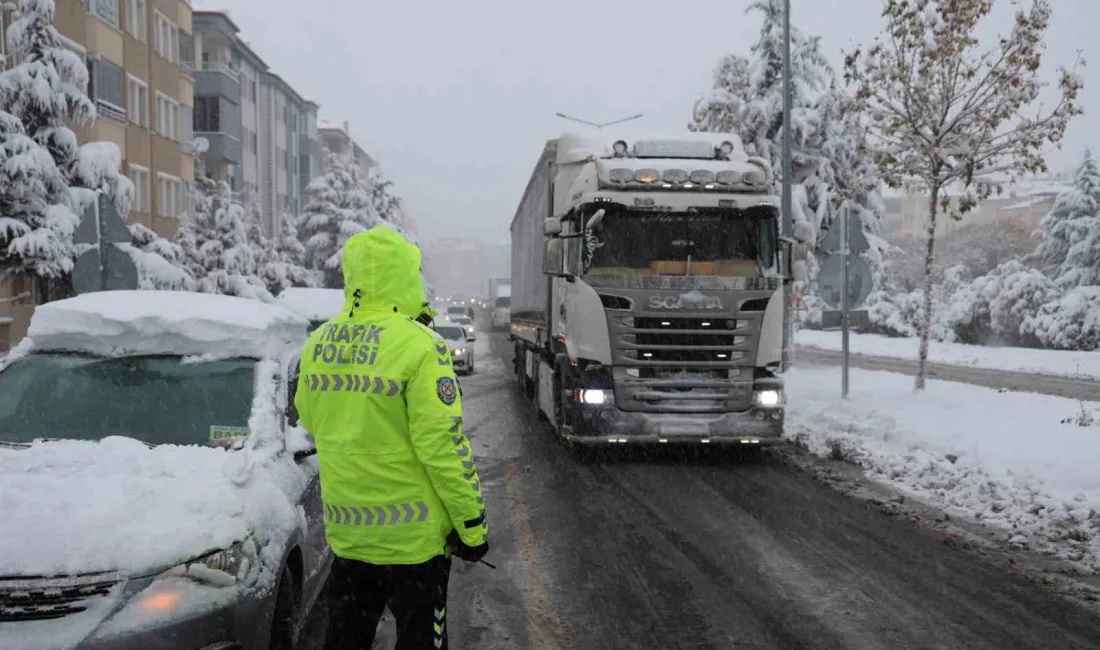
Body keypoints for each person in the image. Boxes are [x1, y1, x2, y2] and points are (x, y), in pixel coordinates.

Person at [295, 226, 489, 650]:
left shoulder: (318, 344)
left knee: (345, 640)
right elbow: (445, 449)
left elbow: (310, 417)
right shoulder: (421, 347)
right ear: (405, 275)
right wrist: (472, 528)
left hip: (349, 540)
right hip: (415, 549)